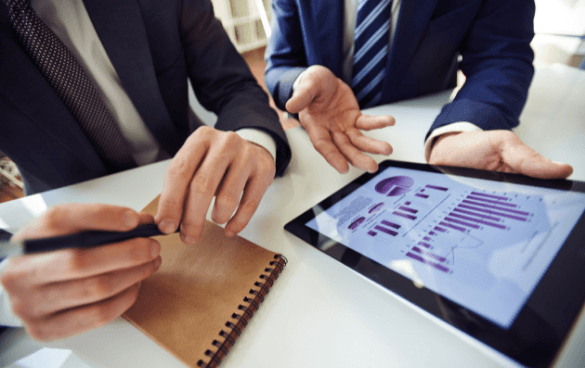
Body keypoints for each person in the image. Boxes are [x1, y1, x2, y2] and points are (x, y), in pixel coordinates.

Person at [0, 0, 291, 340]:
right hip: (62, 238)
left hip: (194, 182)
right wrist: (5, 294)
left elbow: (233, 86)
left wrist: (254, 140)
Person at [264, 0, 573, 179]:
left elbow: (501, 53)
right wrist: (301, 83)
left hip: (421, 145)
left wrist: (462, 127)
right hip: (321, 150)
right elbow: (280, 63)